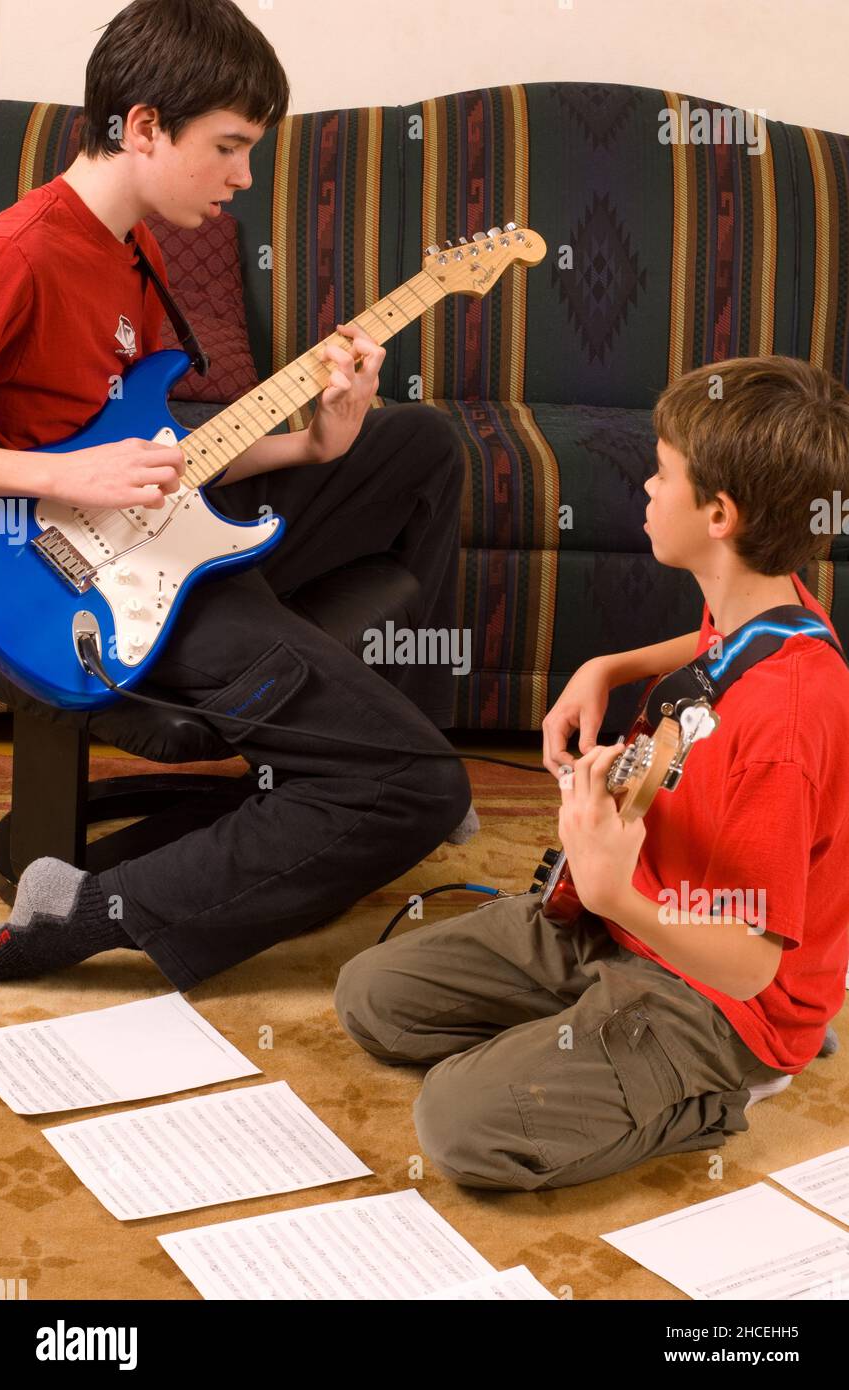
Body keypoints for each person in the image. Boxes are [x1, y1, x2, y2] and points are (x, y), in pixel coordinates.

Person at [0, 0, 473, 989]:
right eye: (229, 147)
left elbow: (159, 453)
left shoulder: (136, 247)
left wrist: (309, 440)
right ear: (143, 127)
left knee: (416, 442)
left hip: (159, 534)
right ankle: (82, 910)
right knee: (416, 788)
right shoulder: (19, 253)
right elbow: (90, 469)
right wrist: (54, 475)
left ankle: (339, 726)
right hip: (70, 584)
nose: (244, 178)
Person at [335, 354, 849, 1192]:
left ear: (719, 514)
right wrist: (608, 666)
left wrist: (613, 893)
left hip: (724, 999)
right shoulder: (770, 602)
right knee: (372, 997)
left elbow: (753, 964)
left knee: (458, 1123)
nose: (644, 488)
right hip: (627, 924)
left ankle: (722, 1087)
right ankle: (597, 1018)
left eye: (660, 474)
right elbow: (720, 649)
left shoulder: (786, 727)